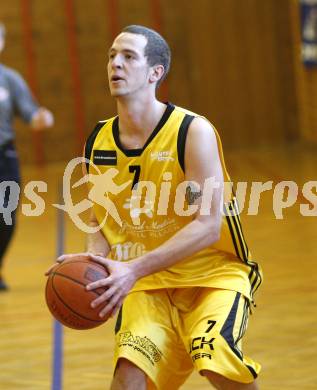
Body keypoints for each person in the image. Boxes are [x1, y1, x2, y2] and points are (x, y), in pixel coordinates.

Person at [53, 25, 262, 389]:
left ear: (155, 73)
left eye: (128, 56)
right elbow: (99, 222)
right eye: (112, 55)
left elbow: (207, 224)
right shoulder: (97, 142)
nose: (115, 63)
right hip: (148, 284)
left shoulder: (191, 132)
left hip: (210, 276)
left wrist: (131, 269)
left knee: (216, 361)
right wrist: (92, 264)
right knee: (128, 377)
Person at [0, 23, 53, 290]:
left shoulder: (9, 79)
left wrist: (40, 119)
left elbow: (31, 114)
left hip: (4, 156)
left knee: (6, 216)